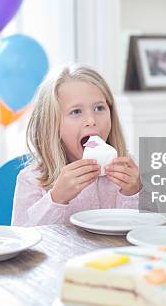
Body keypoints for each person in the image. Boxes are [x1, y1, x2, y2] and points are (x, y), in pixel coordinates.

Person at [11, 65, 141, 226]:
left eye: (99, 108)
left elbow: (149, 231)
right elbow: (25, 239)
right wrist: (56, 199)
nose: (91, 120)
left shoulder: (128, 170)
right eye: (76, 112)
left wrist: (134, 193)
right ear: (52, 124)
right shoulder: (31, 180)